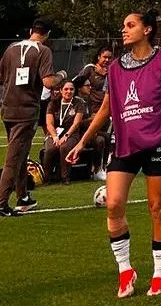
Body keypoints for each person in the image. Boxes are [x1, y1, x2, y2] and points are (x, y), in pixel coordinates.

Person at [67, 10, 161, 299]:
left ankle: (159, 274)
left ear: (147, 29)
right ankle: (125, 270)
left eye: (130, 25)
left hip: (159, 144)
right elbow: (106, 109)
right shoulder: (114, 68)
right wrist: (80, 142)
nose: (124, 30)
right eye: (123, 25)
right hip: (124, 145)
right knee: (113, 205)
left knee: (157, 208)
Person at [0, 18, 67, 216]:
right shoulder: (43, 51)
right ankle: (2, 201)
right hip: (26, 110)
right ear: (47, 34)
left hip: (8, 108)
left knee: (20, 153)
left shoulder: (11, 48)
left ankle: (23, 197)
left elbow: (2, 76)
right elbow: (48, 81)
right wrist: (62, 76)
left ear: (31, 30)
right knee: (13, 158)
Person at [75, 45, 113, 180]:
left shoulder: (112, 71)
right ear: (98, 57)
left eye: (109, 57)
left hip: (109, 110)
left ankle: (103, 167)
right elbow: (75, 82)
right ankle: (96, 168)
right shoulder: (90, 69)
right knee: (98, 138)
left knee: (109, 138)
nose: (107, 60)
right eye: (104, 57)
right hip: (93, 111)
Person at [42, 80, 87, 184]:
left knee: (64, 148)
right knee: (50, 149)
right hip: (55, 133)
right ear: (61, 90)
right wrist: (55, 137)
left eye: (71, 89)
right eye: (66, 89)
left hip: (72, 133)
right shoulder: (53, 103)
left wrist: (66, 135)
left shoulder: (79, 103)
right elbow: (49, 123)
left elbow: (76, 123)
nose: (69, 91)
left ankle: (64, 177)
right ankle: (47, 177)